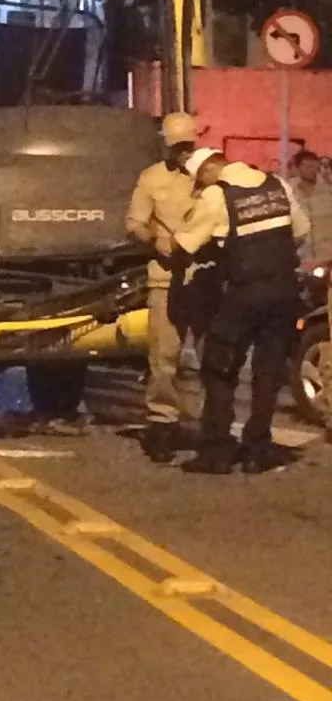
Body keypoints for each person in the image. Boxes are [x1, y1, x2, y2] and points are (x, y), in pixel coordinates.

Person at [166, 148, 310, 474]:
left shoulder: (218, 196)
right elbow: (300, 232)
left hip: (245, 293)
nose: (198, 187)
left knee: (219, 367)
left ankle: (216, 451)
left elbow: (187, 243)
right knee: (269, 371)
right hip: (285, 290)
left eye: (197, 180)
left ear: (208, 170)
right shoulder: (277, 185)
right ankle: (258, 448)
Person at [126, 112, 219, 463]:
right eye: (178, 145)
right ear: (166, 145)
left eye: (188, 144)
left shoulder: (210, 176)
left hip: (208, 277)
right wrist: (155, 240)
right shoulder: (151, 179)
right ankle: (162, 424)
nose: (184, 152)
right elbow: (134, 223)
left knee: (215, 355)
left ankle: (215, 426)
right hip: (167, 278)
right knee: (164, 358)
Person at [286, 149, 332, 264]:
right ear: (298, 168)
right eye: (307, 167)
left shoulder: (327, 191)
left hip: (327, 255)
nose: (312, 170)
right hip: (302, 256)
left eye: (314, 167)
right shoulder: (289, 192)